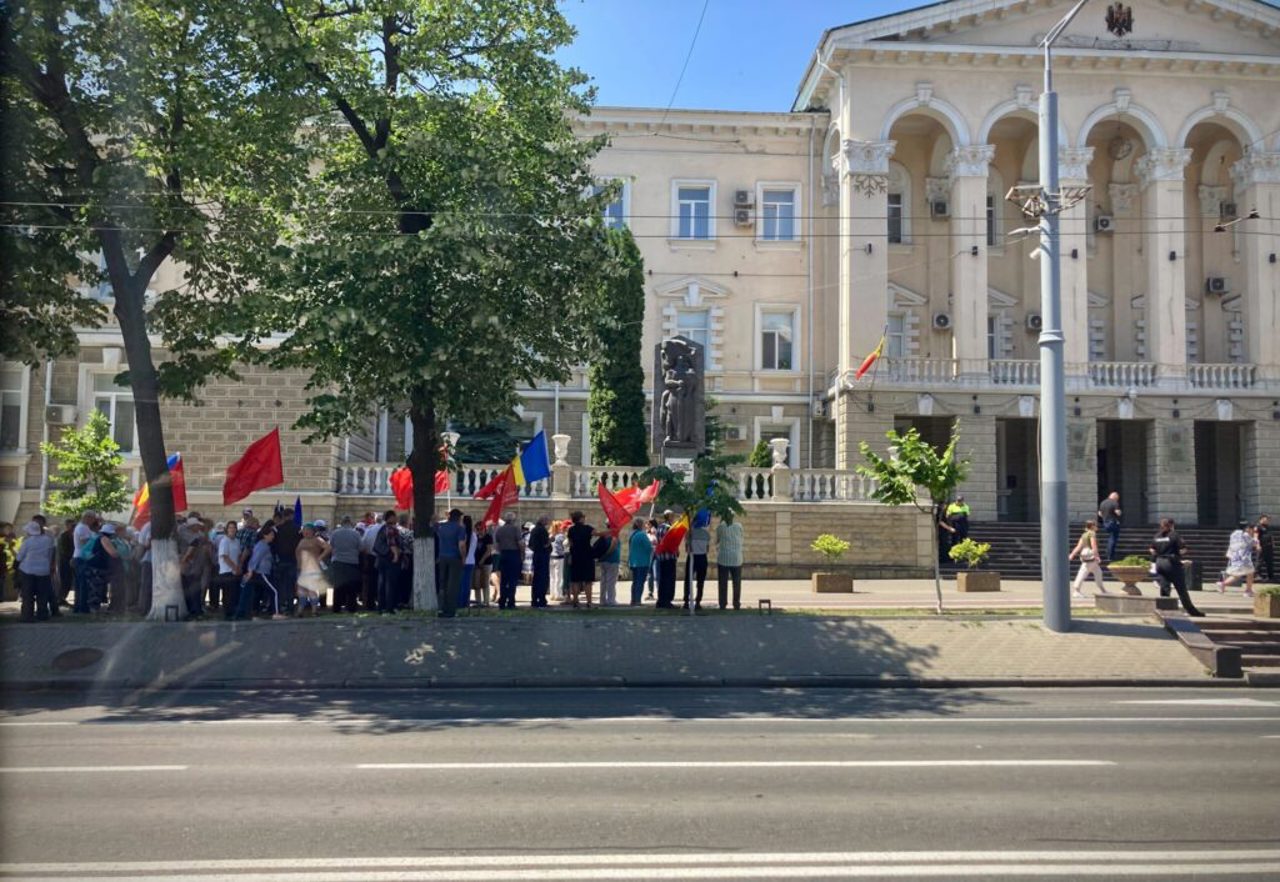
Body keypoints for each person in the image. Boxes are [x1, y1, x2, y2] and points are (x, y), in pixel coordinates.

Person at [1150, 518, 1202, 617]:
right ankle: (1191, 611)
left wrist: (1160, 553)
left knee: (1164, 587)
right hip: (1171, 563)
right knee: (1181, 588)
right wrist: (1178, 556)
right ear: (1172, 525)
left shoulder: (1157, 536)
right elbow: (1183, 550)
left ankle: (1164, 609)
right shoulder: (1174, 535)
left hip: (1160, 563)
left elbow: (1152, 550)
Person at [234, 523, 280, 620]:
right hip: (261, 572)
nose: (273, 536)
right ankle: (276, 613)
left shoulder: (263, 545)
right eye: (271, 534)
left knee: (249, 593)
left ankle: (246, 613)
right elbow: (255, 558)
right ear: (265, 535)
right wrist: (250, 571)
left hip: (259, 572)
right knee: (274, 591)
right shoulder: (262, 546)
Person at [16, 520, 57, 621]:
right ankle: (42, 614)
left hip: (27, 570)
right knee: (42, 594)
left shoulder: (27, 542)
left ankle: (27, 616)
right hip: (43, 570)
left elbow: (19, 557)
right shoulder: (48, 540)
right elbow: (50, 554)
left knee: (28, 594)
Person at [565, 511, 602, 609]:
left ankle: (575, 601)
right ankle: (589, 602)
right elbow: (597, 533)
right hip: (587, 556)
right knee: (588, 581)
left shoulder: (571, 530)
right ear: (581, 518)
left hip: (576, 556)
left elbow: (570, 543)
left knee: (576, 580)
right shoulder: (588, 528)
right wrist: (609, 532)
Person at [327, 515, 363, 613]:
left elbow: (331, 546)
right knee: (352, 587)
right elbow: (360, 548)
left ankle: (336, 608)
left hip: (338, 561)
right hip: (352, 562)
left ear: (342, 523)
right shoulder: (356, 534)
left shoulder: (335, 533)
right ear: (350, 523)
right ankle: (351, 607)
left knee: (338, 586)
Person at [434, 509, 465, 618]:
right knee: (452, 586)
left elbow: (432, 524)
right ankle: (450, 611)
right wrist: (463, 557)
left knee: (442, 585)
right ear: (458, 518)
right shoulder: (460, 528)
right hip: (454, 558)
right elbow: (461, 545)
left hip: (442, 558)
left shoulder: (441, 527)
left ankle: (441, 609)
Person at [295, 523, 331, 615]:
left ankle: (314, 610)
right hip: (301, 568)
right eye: (304, 530)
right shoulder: (302, 540)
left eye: (308, 530)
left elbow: (328, 548)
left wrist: (319, 558)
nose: (305, 532)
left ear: (313, 531)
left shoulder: (317, 539)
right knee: (301, 590)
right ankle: (300, 610)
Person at [1215, 522, 1259, 596]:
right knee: (1240, 575)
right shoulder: (1245, 535)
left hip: (1235, 557)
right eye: (1252, 529)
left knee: (1246, 573)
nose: (1252, 531)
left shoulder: (1233, 534)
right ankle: (1247, 591)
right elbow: (1253, 543)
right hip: (1244, 558)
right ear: (1247, 528)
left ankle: (1248, 590)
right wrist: (1255, 536)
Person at [178, 516, 210, 617]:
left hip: (194, 566)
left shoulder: (197, 534)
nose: (198, 527)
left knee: (194, 588)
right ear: (192, 526)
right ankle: (194, 610)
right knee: (192, 589)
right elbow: (193, 544)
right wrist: (184, 560)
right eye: (197, 526)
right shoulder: (186, 533)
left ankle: (195, 610)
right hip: (190, 566)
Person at [371, 509, 402, 614]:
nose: (396, 518)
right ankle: (389, 608)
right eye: (395, 516)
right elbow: (392, 543)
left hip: (380, 559)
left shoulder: (382, 528)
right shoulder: (390, 529)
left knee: (381, 584)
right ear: (391, 517)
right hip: (389, 559)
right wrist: (396, 556)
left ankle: (381, 607)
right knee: (390, 584)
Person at [272, 507, 301, 616]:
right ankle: (290, 607)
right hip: (293, 560)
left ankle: (280, 606)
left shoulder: (278, 529)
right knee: (290, 586)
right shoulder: (297, 529)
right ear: (291, 516)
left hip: (280, 560)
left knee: (280, 585)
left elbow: (274, 545)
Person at [1068, 519, 1107, 598]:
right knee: (1083, 572)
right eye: (1096, 525)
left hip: (1085, 555)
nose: (1097, 526)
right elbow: (1093, 545)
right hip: (1091, 556)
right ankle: (1076, 590)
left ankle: (1103, 590)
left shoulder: (1084, 534)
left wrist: (1072, 554)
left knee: (1098, 572)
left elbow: (1079, 546)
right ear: (1092, 526)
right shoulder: (1092, 534)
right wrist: (1097, 556)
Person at [494, 515, 524, 609]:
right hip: (514, 554)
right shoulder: (515, 529)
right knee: (513, 580)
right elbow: (520, 543)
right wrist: (522, 554)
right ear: (513, 521)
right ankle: (511, 601)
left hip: (503, 554)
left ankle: (502, 601)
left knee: (504, 579)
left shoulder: (499, 530)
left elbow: (497, 544)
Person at [715, 512, 744, 610]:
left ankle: (722, 604)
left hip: (724, 558)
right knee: (737, 583)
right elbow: (741, 538)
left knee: (722, 583)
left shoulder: (720, 527)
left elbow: (717, 541)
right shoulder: (739, 526)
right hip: (736, 558)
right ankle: (736, 603)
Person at [214, 521, 242, 617]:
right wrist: (234, 567)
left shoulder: (237, 541)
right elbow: (225, 556)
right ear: (227, 529)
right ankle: (227, 613)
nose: (232, 529)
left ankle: (233, 611)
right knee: (228, 594)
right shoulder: (224, 541)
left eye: (234, 527)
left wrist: (239, 567)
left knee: (234, 593)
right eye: (230, 527)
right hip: (226, 571)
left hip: (235, 570)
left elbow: (239, 555)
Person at [683, 517, 710, 610]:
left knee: (688, 580)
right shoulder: (706, 534)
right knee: (700, 581)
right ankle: (698, 601)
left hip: (692, 557)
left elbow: (687, 549)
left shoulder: (689, 533)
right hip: (702, 557)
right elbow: (707, 549)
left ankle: (686, 601)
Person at [654, 511, 678, 609]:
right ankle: (667, 601)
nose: (673, 518)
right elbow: (671, 543)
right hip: (669, 556)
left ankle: (661, 600)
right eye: (672, 516)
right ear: (669, 517)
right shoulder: (669, 528)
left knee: (662, 580)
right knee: (669, 580)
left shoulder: (659, 528)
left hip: (661, 557)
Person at [627, 518, 653, 606]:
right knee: (640, 582)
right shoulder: (642, 535)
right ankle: (638, 600)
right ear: (640, 525)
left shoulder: (632, 534)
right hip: (642, 562)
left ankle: (633, 600)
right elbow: (648, 547)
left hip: (633, 561)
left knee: (635, 582)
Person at [529, 516, 552, 608]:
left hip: (536, 555)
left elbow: (530, 545)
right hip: (543, 556)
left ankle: (534, 599)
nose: (548, 522)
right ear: (543, 521)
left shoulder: (534, 530)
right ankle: (542, 599)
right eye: (546, 520)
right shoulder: (542, 530)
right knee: (543, 578)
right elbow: (545, 544)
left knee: (536, 578)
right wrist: (550, 540)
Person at [473, 521, 494, 607]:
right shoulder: (475, 537)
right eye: (477, 529)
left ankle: (486, 601)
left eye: (480, 529)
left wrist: (482, 560)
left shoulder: (488, 537)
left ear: (484, 528)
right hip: (476, 562)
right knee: (476, 583)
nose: (479, 531)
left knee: (485, 582)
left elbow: (489, 550)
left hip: (486, 562)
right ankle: (478, 601)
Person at [459, 515, 478, 610]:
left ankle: (461, 602)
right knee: (467, 583)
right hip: (471, 561)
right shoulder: (474, 535)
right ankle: (466, 601)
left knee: (461, 583)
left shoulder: (463, 534)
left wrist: (463, 558)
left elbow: (462, 547)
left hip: (463, 560)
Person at [56, 518, 76, 609]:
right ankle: (60, 598)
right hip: (64, 561)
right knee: (64, 580)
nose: (73, 527)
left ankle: (62, 598)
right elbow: (63, 550)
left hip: (69, 561)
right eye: (72, 526)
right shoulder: (64, 536)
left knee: (68, 581)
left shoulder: (72, 535)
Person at [598, 530, 621, 607]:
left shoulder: (604, 534)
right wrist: (606, 555)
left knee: (603, 581)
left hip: (603, 561)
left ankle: (602, 600)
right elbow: (613, 546)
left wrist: (602, 557)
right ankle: (611, 600)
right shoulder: (614, 535)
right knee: (611, 581)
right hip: (612, 560)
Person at [1098, 491, 1122, 562]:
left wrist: (1105, 517)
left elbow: (1099, 513)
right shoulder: (1114, 503)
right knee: (1113, 538)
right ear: (1115, 497)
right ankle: (1110, 555)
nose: (1117, 500)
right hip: (1113, 522)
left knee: (1111, 538)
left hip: (1105, 523)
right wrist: (1120, 512)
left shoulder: (1103, 502)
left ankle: (1109, 552)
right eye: (1117, 498)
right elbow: (1117, 512)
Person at [549, 521, 566, 602]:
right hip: (559, 557)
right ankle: (558, 594)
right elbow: (564, 546)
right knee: (559, 577)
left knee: (552, 577)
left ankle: (552, 594)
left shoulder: (550, 535)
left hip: (551, 557)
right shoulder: (561, 536)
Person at [1256, 514, 1275, 583]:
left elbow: (1270, 536)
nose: (1267, 520)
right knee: (1259, 561)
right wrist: (1258, 545)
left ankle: (1271, 576)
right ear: (1261, 519)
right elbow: (1256, 536)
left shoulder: (1268, 527)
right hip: (1262, 546)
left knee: (1270, 562)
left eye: (1267, 519)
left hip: (1269, 546)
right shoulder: (1258, 527)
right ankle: (1257, 575)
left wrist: (1273, 543)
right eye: (1265, 519)